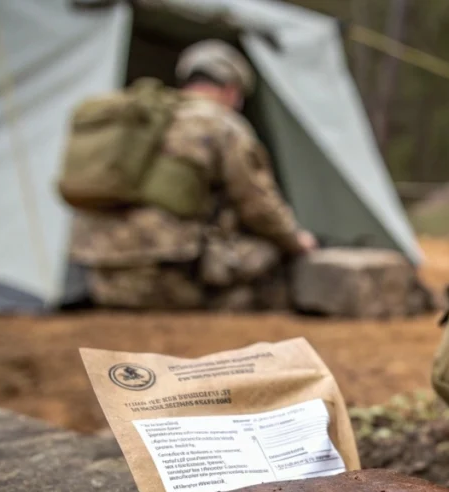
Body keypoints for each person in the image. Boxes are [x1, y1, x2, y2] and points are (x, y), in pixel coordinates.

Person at [68, 40, 318, 310]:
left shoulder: (144, 117)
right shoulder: (223, 124)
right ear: (232, 90)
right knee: (268, 258)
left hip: (100, 276)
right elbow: (258, 205)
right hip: (167, 277)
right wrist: (295, 240)